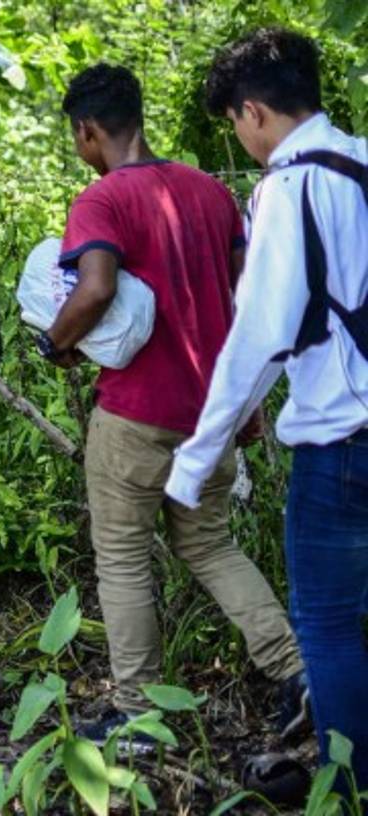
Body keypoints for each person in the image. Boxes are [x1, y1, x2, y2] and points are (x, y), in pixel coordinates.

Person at [39, 64, 307, 743]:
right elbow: (243, 302)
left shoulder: (101, 201)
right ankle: (297, 670)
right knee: (209, 544)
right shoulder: (211, 193)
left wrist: (56, 343)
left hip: (134, 413)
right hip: (210, 410)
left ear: (87, 130)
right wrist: (247, 402)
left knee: (123, 558)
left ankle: (138, 711)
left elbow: (95, 288)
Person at [167, 29, 368, 787]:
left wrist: (194, 461)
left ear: (252, 112)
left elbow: (259, 339)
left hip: (341, 444)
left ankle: (348, 788)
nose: (242, 139)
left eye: (235, 123)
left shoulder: (289, 188)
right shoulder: (363, 163)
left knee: (328, 626)